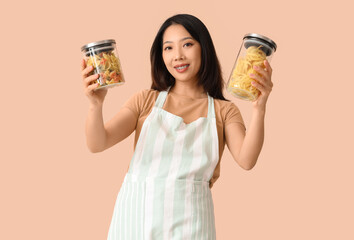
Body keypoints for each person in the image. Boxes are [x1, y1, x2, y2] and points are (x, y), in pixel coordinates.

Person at [80, 14, 273, 240]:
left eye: (188, 44)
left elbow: (247, 160)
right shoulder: (146, 101)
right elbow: (98, 143)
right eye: (168, 48)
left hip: (193, 225)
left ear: (204, 48)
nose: (178, 56)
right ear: (161, 55)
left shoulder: (224, 111)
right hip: (135, 222)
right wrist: (95, 105)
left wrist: (259, 108)